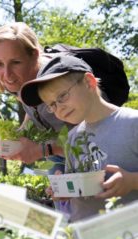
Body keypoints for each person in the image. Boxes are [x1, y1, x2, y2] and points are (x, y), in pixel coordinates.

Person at [20, 55, 138, 222]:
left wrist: (132, 181)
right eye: (52, 105)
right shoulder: (72, 138)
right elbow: (81, 189)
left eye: (62, 96)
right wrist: (64, 188)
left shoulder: (132, 123)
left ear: (89, 82)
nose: (59, 108)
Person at [0, 22, 69, 172]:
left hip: (88, 156)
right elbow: (32, 109)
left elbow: (93, 140)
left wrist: (40, 150)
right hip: (57, 154)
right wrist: (18, 134)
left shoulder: (59, 84)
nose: (7, 74)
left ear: (34, 55)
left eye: (16, 62)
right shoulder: (21, 82)